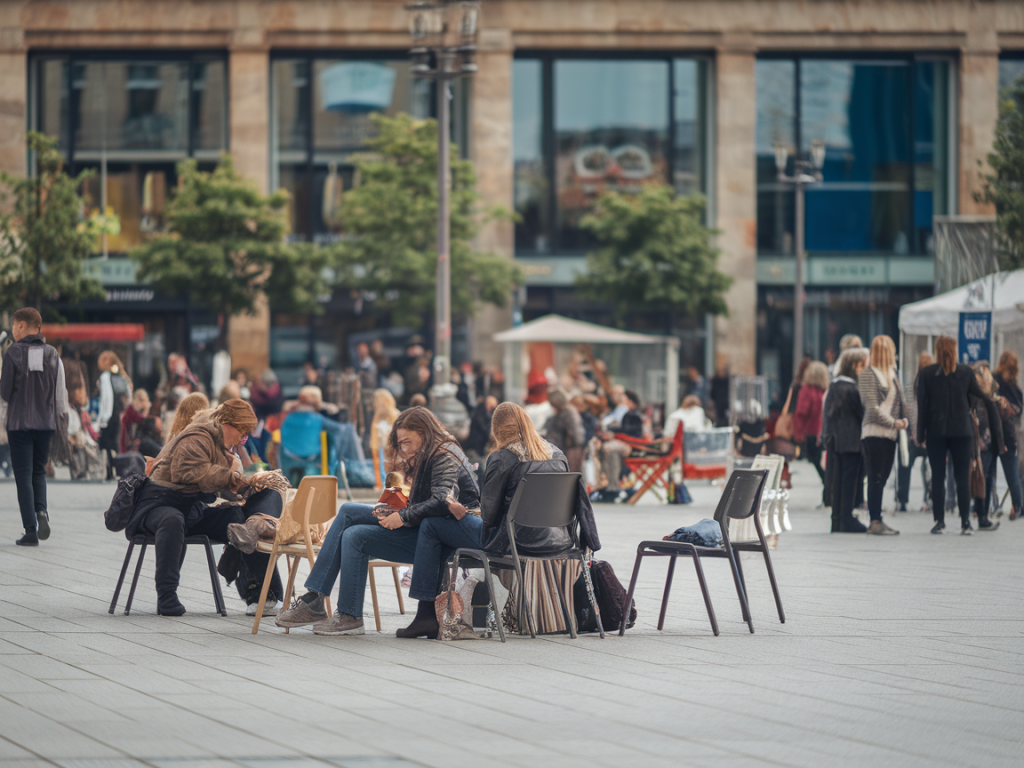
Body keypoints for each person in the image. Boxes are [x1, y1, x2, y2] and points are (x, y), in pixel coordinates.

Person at [274, 407, 480, 636]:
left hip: (434, 537)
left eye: (406, 442)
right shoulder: (434, 450)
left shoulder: (444, 454)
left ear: (423, 433)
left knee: (354, 535)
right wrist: (393, 510)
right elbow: (431, 502)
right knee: (348, 511)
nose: (403, 449)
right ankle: (316, 599)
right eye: (401, 443)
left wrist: (401, 516)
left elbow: (440, 501)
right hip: (421, 525)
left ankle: (345, 615)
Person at [125, 399, 285, 616]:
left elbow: (216, 484)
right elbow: (189, 472)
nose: (243, 440)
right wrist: (231, 477)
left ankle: (257, 582)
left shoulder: (220, 444)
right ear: (230, 424)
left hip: (190, 508)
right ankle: (167, 596)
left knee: (247, 514)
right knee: (172, 520)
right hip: (158, 503)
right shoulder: (197, 437)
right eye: (243, 433)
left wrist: (249, 487)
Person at [0, 308, 68, 546]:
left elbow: (4, 393)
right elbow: (61, 393)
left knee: (22, 475)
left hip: (19, 424)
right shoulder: (52, 354)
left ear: (20, 326)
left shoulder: (12, 353)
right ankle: (42, 511)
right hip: (45, 424)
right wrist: (62, 418)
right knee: (38, 471)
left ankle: (30, 530)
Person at [916, 336, 988, 535]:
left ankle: (939, 521)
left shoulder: (927, 373)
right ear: (954, 350)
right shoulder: (966, 372)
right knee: (961, 477)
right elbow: (979, 394)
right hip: (962, 431)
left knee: (937, 477)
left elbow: (922, 407)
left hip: (935, 432)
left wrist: (920, 433)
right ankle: (965, 522)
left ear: (937, 351)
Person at [858, 335, 907, 536]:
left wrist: (903, 421)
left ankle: (877, 518)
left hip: (890, 434)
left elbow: (901, 402)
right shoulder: (869, 374)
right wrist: (893, 422)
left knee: (883, 477)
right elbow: (871, 408)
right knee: (876, 477)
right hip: (874, 433)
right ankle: (875, 520)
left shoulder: (893, 373)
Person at [822, 347, 869, 533]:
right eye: (863, 365)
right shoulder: (852, 389)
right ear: (855, 366)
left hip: (836, 441)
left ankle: (837, 518)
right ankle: (847, 518)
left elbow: (827, 413)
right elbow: (862, 414)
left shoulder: (834, 385)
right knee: (849, 480)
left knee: (838, 480)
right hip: (852, 441)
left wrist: (826, 437)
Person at [896, 351, 934, 512]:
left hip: (913, 434)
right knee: (933, 467)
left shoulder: (912, 384)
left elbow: (910, 409)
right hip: (930, 434)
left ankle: (902, 500)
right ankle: (932, 498)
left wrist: (913, 431)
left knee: (905, 466)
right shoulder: (935, 384)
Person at [970, 362, 1004, 531]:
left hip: (989, 444)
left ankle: (982, 513)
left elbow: (994, 422)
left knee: (986, 479)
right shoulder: (981, 397)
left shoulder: (987, 395)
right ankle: (982, 515)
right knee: (984, 479)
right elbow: (985, 422)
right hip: (985, 444)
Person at [594, 389, 643, 502]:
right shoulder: (629, 414)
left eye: (624, 398)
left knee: (609, 449)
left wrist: (614, 434)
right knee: (605, 449)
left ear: (630, 401)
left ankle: (613, 485)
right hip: (626, 443)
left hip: (632, 445)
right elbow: (623, 429)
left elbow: (632, 433)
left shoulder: (635, 415)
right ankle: (610, 484)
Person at [994, 351, 1023, 520]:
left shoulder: (995, 380)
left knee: (989, 470)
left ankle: (990, 505)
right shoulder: (1017, 390)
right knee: (1012, 473)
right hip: (1011, 435)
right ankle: (1018, 507)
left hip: (994, 432)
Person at [794, 361, 829, 492]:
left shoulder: (807, 390)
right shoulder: (824, 392)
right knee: (822, 462)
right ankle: (828, 490)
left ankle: (827, 487)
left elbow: (801, 412)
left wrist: (797, 432)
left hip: (809, 431)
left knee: (816, 461)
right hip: (822, 432)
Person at [97, 350, 132, 479]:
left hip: (109, 415)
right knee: (117, 444)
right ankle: (119, 471)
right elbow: (129, 395)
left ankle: (109, 472)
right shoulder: (122, 376)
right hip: (120, 415)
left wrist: (102, 418)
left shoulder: (105, 377)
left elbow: (106, 399)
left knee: (106, 445)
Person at [544, 388, 586, 474]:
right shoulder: (557, 414)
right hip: (557, 451)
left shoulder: (568, 413)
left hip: (568, 453)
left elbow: (577, 436)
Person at [369, 388, 401, 488]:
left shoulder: (396, 415)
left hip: (393, 450)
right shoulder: (377, 418)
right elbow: (374, 441)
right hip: (381, 450)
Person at [120, 389, 163, 457]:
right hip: (132, 443)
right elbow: (141, 420)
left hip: (136, 440)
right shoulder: (131, 411)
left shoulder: (133, 411)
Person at [465, 395, 497, 461]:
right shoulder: (480, 411)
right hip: (477, 441)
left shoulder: (486, 412)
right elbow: (482, 426)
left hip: (480, 440)